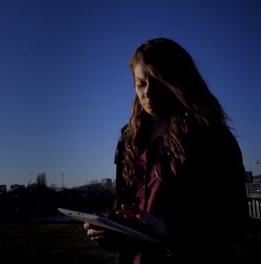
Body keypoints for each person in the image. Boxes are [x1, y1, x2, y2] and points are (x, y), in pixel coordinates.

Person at [83, 37, 250, 263]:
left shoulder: (211, 136)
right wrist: (109, 232)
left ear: (179, 83)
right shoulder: (129, 138)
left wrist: (169, 233)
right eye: (141, 84)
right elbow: (125, 207)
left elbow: (234, 221)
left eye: (158, 83)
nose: (148, 94)